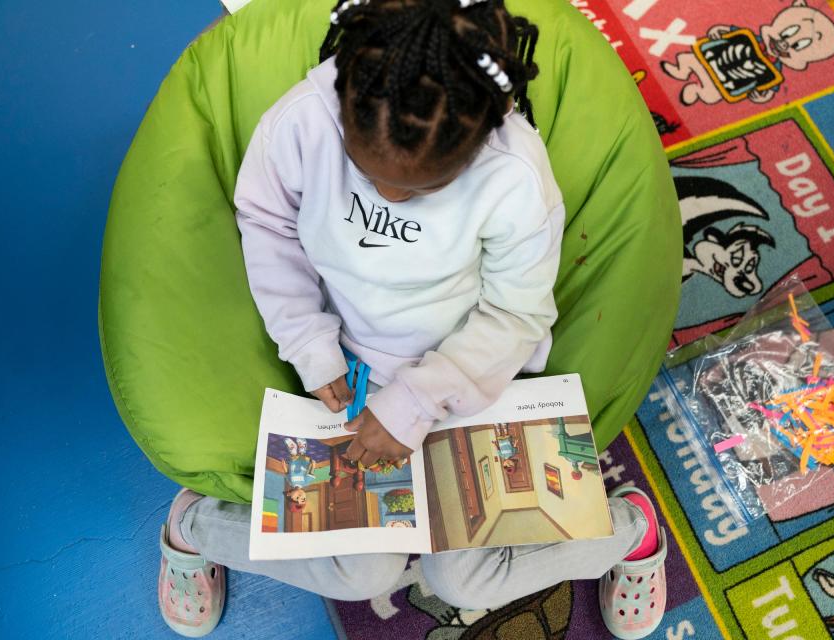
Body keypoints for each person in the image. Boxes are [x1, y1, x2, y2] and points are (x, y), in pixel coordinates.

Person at [156, 1, 667, 638]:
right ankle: (198, 526)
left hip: (471, 375)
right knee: (361, 574)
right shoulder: (304, 119)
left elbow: (516, 311)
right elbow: (266, 222)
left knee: (464, 580)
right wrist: (311, 346)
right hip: (346, 366)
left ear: (482, 137)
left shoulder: (513, 172)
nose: (390, 199)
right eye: (369, 173)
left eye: (422, 189)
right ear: (345, 103)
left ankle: (629, 531)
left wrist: (418, 402)